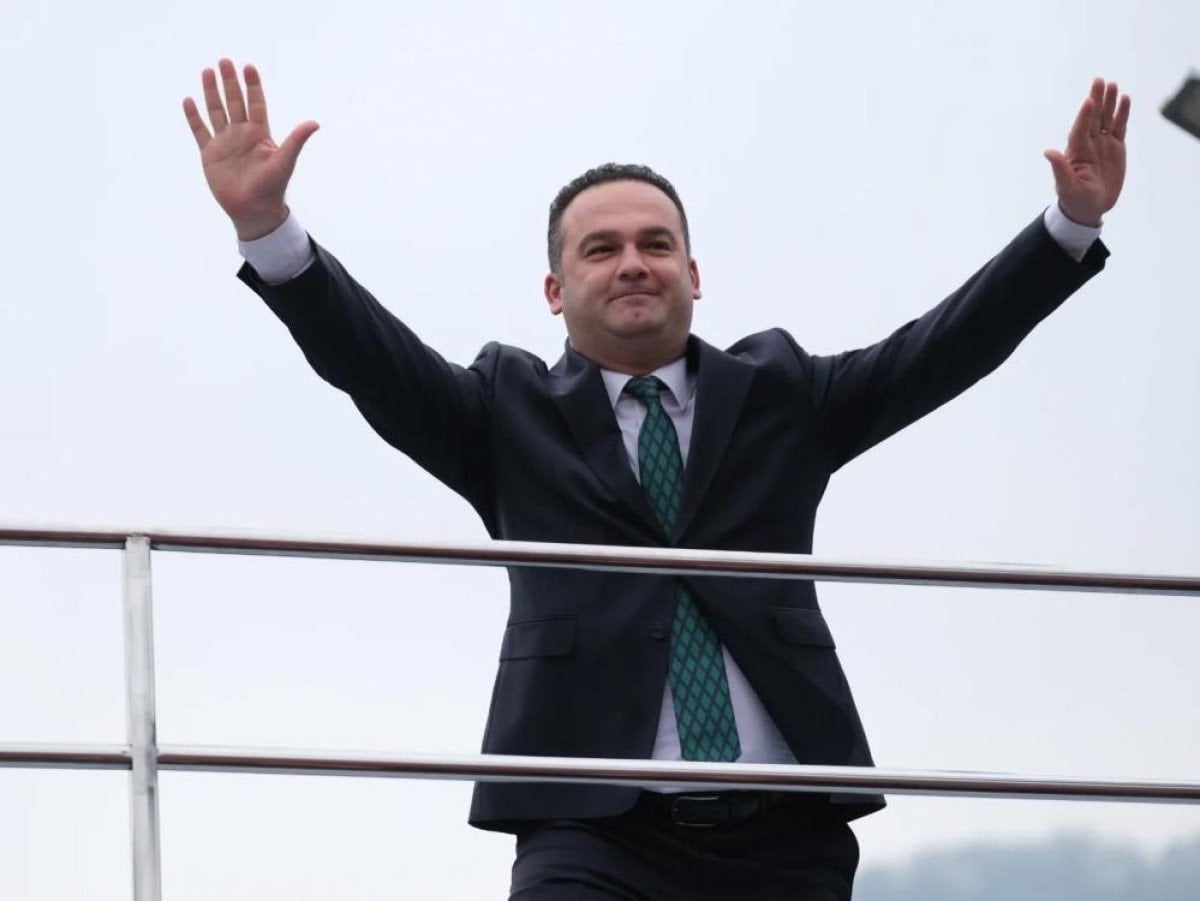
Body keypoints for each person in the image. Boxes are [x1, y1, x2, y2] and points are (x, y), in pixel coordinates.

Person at [184, 61, 1130, 900]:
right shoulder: (505, 411)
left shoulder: (782, 393)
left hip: (785, 831)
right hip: (591, 828)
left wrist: (1070, 224)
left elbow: (940, 351)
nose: (633, 264)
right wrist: (268, 229)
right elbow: (371, 360)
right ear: (554, 289)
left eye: (656, 243)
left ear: (694, 272)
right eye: (601, 250)